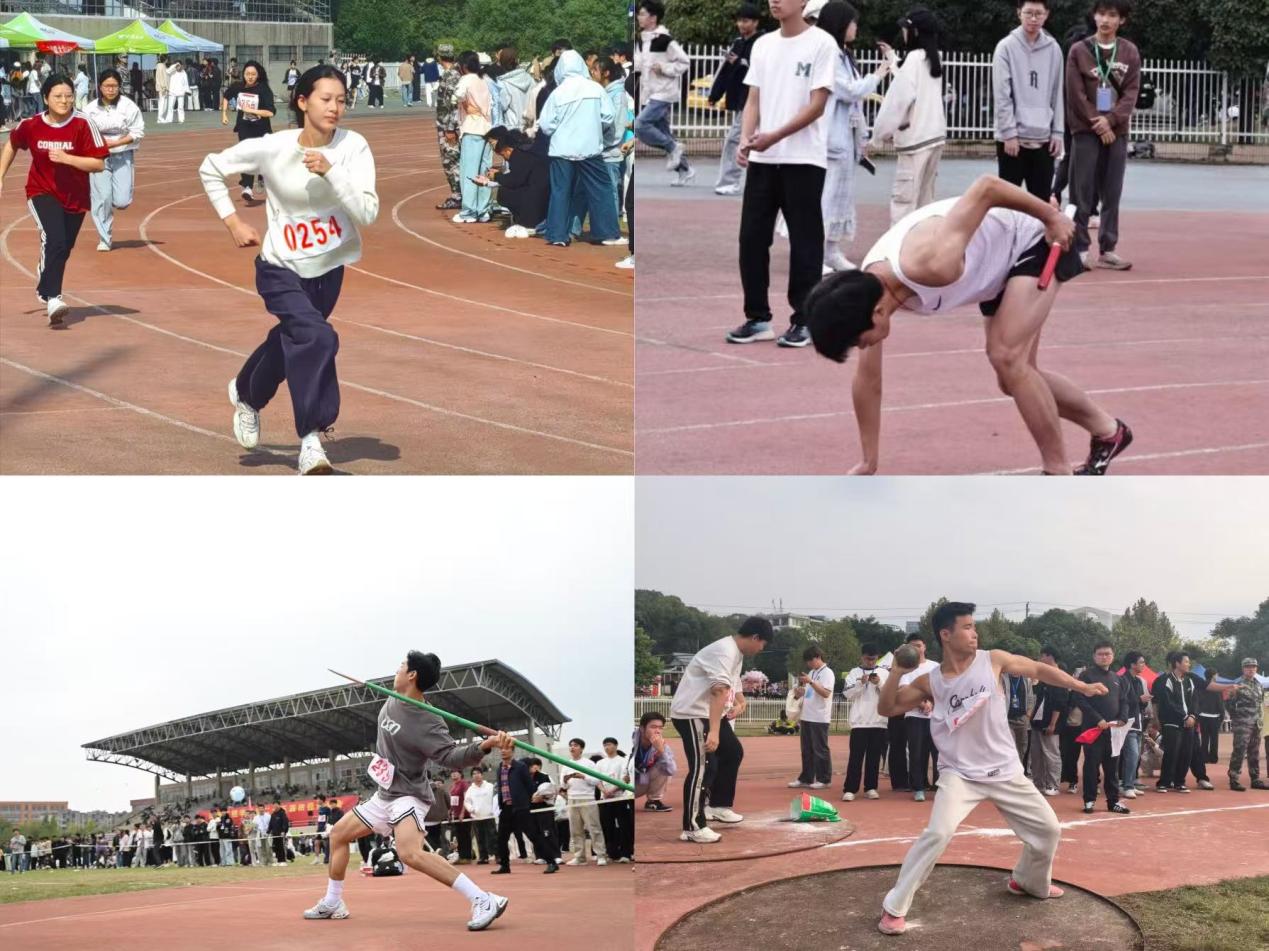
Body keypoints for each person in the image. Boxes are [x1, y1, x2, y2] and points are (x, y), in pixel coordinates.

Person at [807, 173, 1134, 476]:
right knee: (1014, 378)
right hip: (995, 266)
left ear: (877, 313)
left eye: (858, 341)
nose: (862, 347)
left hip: (1033, 239)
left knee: (1007, 357)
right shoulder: (867, 293)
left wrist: (1051, 217)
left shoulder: (932, 263)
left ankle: (1057, 472)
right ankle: (1109, 432)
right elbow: (868, 382)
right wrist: (869, 461)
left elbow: (986, 187)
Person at [875, 601, 1109, 935]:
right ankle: (894, 907)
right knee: (938, 833)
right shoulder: (932, 681)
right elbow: (888, 708)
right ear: (946, 634)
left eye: (974, 626)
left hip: (1005, 770)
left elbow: (1038, 669)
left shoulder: (993, 660)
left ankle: (1027, 881)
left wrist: (1081, 686)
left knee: (1048, 831)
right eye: (967, 627)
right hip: (959, 773)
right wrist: (897, 671)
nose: (975, 633)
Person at [201, 64, 378, 476]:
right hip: (279, 267)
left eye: (341, 100)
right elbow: (210, 167)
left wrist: (332, 172)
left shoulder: (353, 147)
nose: (335, 108)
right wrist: (233, 221)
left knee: (295, 340)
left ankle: (246, 392)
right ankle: (311, 440)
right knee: (318, 337)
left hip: (329, 269)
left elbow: (367, 213)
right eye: (326, 99)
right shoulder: (273, 147)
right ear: (302, 102)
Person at [302, 651, 512, 931]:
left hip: (409, 794)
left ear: (412, 675)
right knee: (338, 835)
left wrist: (484, 745)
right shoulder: (392, 698)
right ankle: (332, 902)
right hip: (385, 793)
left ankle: (483, 899)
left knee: (409, 853)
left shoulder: (429, 720)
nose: (396, 670)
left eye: (401, 666)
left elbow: (450, 757)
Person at [725, 0, 838, 349]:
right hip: (763, 158)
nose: (774, 1)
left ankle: (804, 319)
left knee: (805, 242)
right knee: (751, 239)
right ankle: (757, 318)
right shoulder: (763, 44)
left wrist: (774, 135)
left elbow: (817, 106)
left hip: (804, 159)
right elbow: (753, 99)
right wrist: (746, 138)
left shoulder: (822, 43)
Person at [0, 73, 108, 325]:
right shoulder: (31, 125)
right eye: (58, 96)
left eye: (69, 96)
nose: (64, 101)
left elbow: (98, 164)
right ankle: (53, 298)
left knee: (64, 247)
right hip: (41, 190)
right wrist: (1, 175)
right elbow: (12, 144)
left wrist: (68, 158)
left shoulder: (83, 124)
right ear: (46, 98)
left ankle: (45, 276)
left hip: (75, 196)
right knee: (55, 239)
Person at [669, 616, 772, 842]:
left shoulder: (736, 653)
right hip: (693, 714)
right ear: (755, 637)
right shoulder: (724, 651)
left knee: (732, 752)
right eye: (763, 644)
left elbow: (733, 683)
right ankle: (693, 827)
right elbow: (718, 690)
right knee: (703, 767)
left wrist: (741, 702)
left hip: (710, 713)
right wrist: (714, 732)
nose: (761, 649)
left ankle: (717, 805)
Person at [817, 2, 893, 271]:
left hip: (846, 137)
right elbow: (849, 91)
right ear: (840, 23)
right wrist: (878, 74)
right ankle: (816, 254)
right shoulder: (829, 54)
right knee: (826, 198)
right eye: (852, 22)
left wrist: (861, 139)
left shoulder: (843, 54)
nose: (855, 28)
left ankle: (831, 251)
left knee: (841, 196)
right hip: (831, 136)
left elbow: (855, 102)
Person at [1065, 0, 1139, 269]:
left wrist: (1111, 121)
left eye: (1112, 15)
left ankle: (1108, 249)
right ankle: (1079, 248)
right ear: (1094, 16)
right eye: (1101, 14)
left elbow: (1131, 93)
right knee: (1081, 191)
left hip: (1116, 131)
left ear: (1122, 20)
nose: (1106, 20)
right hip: (1086, 130)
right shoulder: (1079, 51)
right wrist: (1098, 122)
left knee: (1112, 190)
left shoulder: (1129, 52)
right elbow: (1075, 93)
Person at [870, 8, 947, 224]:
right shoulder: (934, 58)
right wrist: (892, 57)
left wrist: (877, 137)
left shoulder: (914, 60)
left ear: (915, 31)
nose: (903, 33)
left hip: (915, 142)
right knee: (925, 202)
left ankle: (899, 243)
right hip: (934, 138)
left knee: (904, 203)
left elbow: (896, 102)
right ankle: (923, 243)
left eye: (905, 28)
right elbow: (911, 80)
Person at [538, 50, 619, 247]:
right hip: (589, 147)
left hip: (562, 148)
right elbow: (609, 116)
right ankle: (606, 232)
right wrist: (593, 126)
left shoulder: (557, 93)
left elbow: (546, 125)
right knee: (601, 189)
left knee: (560, 191)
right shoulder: (595, 89)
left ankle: (557, 234)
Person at [993, 0, 1065, 200]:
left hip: (1044, 139)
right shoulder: (1005, 47)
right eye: (1028, 13)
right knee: (1008, 203)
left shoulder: (1054, 49)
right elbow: (1002, 95)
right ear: (1019, 13)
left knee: (1040, 203)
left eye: (1038, 13)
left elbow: (1057, 93)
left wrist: (1057, 132)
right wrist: (1008, 133)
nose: (1033, 18)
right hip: (1013, 140)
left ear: (1046, 14)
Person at [84, 68, 145, 254]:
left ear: (119, 87)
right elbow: (83, 132)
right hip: (98, 158)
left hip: (122, 154)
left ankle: (110, 201)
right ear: (100, 87)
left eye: (114, 86)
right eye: (107, 86)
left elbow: (137, 131)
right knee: (102, 197)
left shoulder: (129, 107)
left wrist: (117, 142)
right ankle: (105, 238)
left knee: (122, 200)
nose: (110, 90)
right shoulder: (90, 109)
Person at [634, 0, 694, 186]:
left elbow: (684, 62)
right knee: (664, 132)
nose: (639, 17)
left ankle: (673, 147)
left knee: (640, 125)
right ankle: (685, 170)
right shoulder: (641, 40)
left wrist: (664, 68)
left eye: (642, 14)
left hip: (664, 93)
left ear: (653, 18)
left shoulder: (665, 40)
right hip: (650, 92)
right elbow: (639, 64)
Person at [710, 5, 764, 195]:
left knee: (734, 139)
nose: (741, 24)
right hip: (743, 99)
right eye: (739, 20)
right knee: (748, 138)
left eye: (746, 20)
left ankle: (729, 181)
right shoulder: (738, 43)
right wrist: (715, 95)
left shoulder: (763, 43)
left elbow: (761, 68)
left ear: (755, 22)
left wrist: (741, 62)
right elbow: (725, 71)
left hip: (758, 98)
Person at [1073, 641, 1132, 814]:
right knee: (1091, 766)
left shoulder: (1118, 678)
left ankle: (1113, 802)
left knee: (1112, 768)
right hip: (1093, 729)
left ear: (1113, 656)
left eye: (1107, 654)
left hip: (1113, 731)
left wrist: (1122, 718)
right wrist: (1097, 719)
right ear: (1094, 656)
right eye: (1100, 654)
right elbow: (1079, 699)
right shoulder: (1086, 676)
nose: (1104, 657)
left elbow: (1124, 701)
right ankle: (1089, 800)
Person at [490, 746, 559, 874]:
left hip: (520, 808)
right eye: (501, 749)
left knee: (534, 836)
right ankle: (505, 866)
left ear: (512, 751)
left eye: (506, 749)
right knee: (501, 838)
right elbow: (500, 787)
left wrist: (528, 801)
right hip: (506, 808)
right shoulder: (500, 768)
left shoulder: (520, 767)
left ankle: (552, 862)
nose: (503, 751)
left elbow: (529, 786)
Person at [219, 61, 275, 203]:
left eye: (253, 74)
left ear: (258, 75)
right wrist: (224, 114)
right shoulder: (238, 87)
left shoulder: (264, 89)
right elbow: (226, 96)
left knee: (261, 157)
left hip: (262, 129)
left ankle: (262, 176)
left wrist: (253, 111)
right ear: (243, 74)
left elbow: (270, 112)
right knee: (246, 156)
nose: (250, 77)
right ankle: (247, 188)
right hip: (244, 127)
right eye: (247, 74)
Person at [840, 644, 889, 800]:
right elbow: (847, 694)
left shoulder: (884, 672)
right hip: (859, 722)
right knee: (856, 757)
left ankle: (871, 787)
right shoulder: (854, 672)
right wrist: (860, 683)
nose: (870, 662)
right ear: (862, 657)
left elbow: (889, 694)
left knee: (874, 757)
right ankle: (850, 789)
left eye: (873, 659)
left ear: (877, 657)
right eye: (868, 659)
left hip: (878, 721)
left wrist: (879, 683)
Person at [788, 644, 836, 789]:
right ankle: (806, 778)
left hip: (819, 717)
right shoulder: (812, 672)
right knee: (806, 750)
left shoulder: (827, 673)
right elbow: (810, 693)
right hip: (807, 715)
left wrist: (811, 682)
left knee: (820, 749)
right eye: (807, 661)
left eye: (810, 660)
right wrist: (800, 693)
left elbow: (826, 693)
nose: (808, 663)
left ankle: (824, 779)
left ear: (818, 657)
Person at [453, 52, 493, 224]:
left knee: (469, 170)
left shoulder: (466, 79)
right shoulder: (485, 80)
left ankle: (469, 210)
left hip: (472, 127)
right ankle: (483, 210)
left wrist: (464, 104)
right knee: (484, 169)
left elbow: (457, 95)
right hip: (487, 127)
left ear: (463, 66)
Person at [900, 633, 940, 802]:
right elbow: (904, 691)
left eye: (919, 645)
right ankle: (918, 787)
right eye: (912, 646)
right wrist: (921, 704)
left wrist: (931, 702)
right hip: (914, 716)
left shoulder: (935, 666)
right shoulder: (905, 669)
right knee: (916, 753)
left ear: (924, 647)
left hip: (936, 717)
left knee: (939, 753)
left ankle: (939, 786)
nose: (916, 649)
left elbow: (942, 688)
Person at [560, 738, 608, 864]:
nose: (572, 747)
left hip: (587, 798)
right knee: (575, 830)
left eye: (575, 745)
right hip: (572, 799)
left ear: (581, 748)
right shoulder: (566, 764)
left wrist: (583, 776)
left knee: (594, 828)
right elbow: (563, 786)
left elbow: (596, 780)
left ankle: (601, 855)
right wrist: (565, 781)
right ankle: (579, 857)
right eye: (571, 745)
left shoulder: (589, 764)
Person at [1029, 647, 1067, 795]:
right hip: (1037, 721)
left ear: (1050, 657)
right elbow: (1038, 698)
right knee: (1036, 754)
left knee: (1051, 753)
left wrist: (1053, 724)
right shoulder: (1044, 676)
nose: (1040, 658)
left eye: (1042, 656)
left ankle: (1053, 785)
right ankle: (1038, 783)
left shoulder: (1060, 676)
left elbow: (1060, 703)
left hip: (1051, 723)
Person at [1227, 658, 1267, 791]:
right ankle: (1234, 779)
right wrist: (1237, 719)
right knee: (1239, 751)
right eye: (1248, 667)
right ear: (1243, 668)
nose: (1251, 669)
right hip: (1242, 723)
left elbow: (1260, 703)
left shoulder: (1258, 684)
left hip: (1256, 723)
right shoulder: (1237, 684)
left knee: (1254, 752)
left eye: (1254, 667)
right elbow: (1229, 705)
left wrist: (1260, 720)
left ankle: (1255, 779)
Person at [1117, 651, 1151, 797]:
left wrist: (1144, 701)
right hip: (1128, 723)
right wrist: (1139, 699)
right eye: (1141, 662)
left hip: (1138, 722)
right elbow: (1122, 700)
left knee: (1134, 756)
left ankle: (1128, 783)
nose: (1144, 665)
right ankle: (1127, 786)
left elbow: (1140, 704)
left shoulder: (1138, 681)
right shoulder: (1122, 680)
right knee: (1132, 755)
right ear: (1132, 664)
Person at [596, 737, 635, 862]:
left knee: (624, 826)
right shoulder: (600, 763)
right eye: (605, 745)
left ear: (616, 746)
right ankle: (612, 853)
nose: (607, 747)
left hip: (620, 798)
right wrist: (604, 791)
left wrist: (612, 790)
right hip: (605, 799)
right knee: (607, 826)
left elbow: (625, 778)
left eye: (609, 744)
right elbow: (597, 779)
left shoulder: (623, 761)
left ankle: (626, 853)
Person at [631, 711, 677, 811]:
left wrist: (661, 752)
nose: (657, 731)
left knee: (664, 766)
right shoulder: (630, 739)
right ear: (642, 728)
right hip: (621, 784)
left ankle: (653, 802)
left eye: (660, 728)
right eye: (653, 727)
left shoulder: (661, 744)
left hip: (639, 783)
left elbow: (671, 771)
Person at [434, 47, 462, 210]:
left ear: (440, 56)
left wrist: (450, 128)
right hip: (445, 124)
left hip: (448, 126)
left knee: (451, 161)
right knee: (450, 160)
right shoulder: (451, 74)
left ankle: (457, 195)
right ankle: (458, 194)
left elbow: (453, 104)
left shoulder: (452, 76)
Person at [462, 767, 497, 864]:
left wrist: (494, 810)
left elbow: (495, 798)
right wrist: (472, 810)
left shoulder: (490, 786)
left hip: (489, 816)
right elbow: (466, 802)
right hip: (477, 817)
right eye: (474, 774)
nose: (476, 775)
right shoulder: (470, 789)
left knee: (493, 837)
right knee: (480, 839)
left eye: (478, 773)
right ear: (472, 776)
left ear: (482, 775)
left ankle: (498, 855)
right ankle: (483, 857)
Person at [155, 55, 171, 123]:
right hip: (163, 87)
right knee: (162, 103)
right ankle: (160, 117)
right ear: (166, 59)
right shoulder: (161, 66)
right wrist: (164, 87)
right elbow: (161, 77)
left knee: (163, 102)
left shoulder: (161, 66)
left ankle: (160, 118)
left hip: (163, 87)